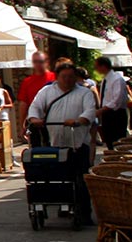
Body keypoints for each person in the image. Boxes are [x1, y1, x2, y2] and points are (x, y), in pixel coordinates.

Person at [27, 59, 100, 219]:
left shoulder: (84, 93)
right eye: (64, 76)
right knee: (57, 177)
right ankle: (63, 204)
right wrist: (34, 119)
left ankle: (85, 213)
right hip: (55, 143)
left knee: (81, 178)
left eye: (71, 77)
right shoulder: (46, 92)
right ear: (57, 77)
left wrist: (79, 121)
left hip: (78, 143)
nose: (67, 80)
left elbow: (90, 111)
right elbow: (35, 107)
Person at [15, 52, 55, 144]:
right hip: (35, 120)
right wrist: (22, 125)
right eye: (35, 62)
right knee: (36, 148)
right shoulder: (27, 82)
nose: (38, 64)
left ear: (47, 62)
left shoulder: (55, 78)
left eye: (40, 61)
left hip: (53, 120)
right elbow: (23, 104)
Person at [93, 57, 132, 147]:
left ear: (103, 66)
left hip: (116, 114)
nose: (96, 69)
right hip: (107, 114)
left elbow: (117, 100)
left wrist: (101, 110)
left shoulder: (117, 79)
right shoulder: (105, 80)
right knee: (109, 140)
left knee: (117, 141)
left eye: (97, 66)